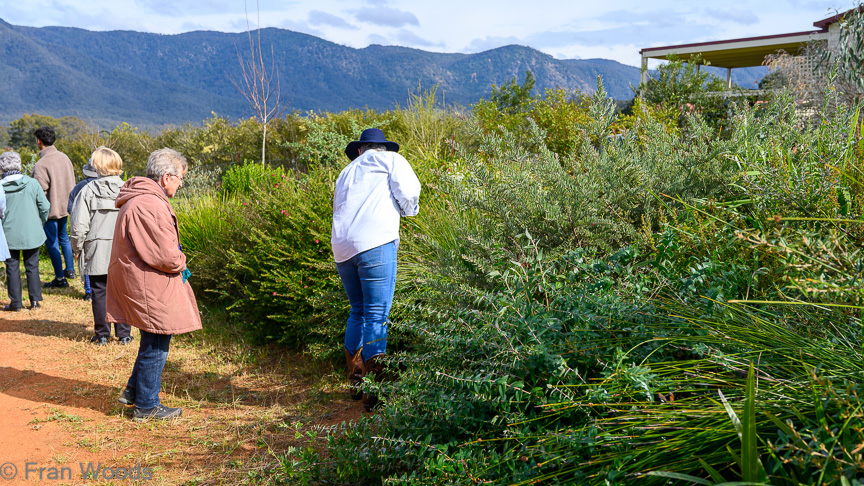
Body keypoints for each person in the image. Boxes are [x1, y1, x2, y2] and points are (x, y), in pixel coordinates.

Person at [107, 148, 201, 421]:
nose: (181, 183)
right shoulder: (149, 204)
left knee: (153, 337)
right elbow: (163, 254)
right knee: (158, 340)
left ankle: (134, 392)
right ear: (166, 177)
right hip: (150, 284)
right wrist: (182, 260)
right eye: (180, 178)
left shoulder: (143, 199)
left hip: (145, 280)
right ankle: (146, 407)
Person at [331, 128, 421, 411]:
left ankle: (356, 380)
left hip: (343, 249)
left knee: (357, 310)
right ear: (382, 147)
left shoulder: (345, 172)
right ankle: (374, 391)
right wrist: (408, 210)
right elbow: (409, 192)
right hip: (375, 243)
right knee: (376, 314)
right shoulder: (391, 160)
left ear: (360, 149)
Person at [70, 147, 129, 346]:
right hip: (123, 248)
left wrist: (76, 248)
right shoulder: (128, 189)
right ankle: (124, 334)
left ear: (96, 166)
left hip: (96, 248)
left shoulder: (87, 191)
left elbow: (78, 226)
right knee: (122, 290)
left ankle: (102, 335)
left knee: (99, 290)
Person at [0, 151, 50, 311]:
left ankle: (16, 303)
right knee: (32, 266)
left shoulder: (0, 187)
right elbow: (45, 207)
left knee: (12, 267)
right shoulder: (32, 183)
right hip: (32, 231)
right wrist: (39, 222)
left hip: (8, 233)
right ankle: (35, 301)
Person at [32, 126, 76, 288]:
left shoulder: (41, 164)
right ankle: (70, 270)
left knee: (52, 242)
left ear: (39, 141)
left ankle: (59, 278)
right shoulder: (65, 158)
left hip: (50, 210)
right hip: (66, 207)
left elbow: (39, 192)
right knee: (64, 237)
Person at [68, 161, 99, 302]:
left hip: (85, 228)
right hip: (103, 229)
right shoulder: (108, 185)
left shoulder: (80, 186)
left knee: (86, 260)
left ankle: (88, 291)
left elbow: (71, 207)